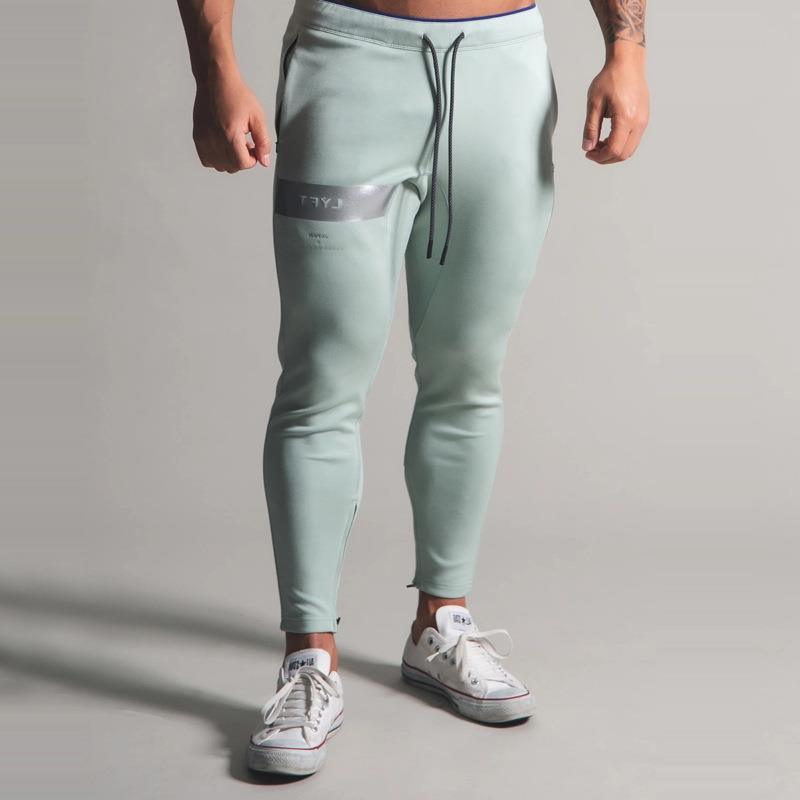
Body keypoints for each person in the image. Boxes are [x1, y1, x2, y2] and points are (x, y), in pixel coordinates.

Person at [177, 0, 649, 777]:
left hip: (503, 78)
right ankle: (309, 660)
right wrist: (215, 69)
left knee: (468, 370)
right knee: (323, 376)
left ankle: (441, 624)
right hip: (349, 70)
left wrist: (626, 51)